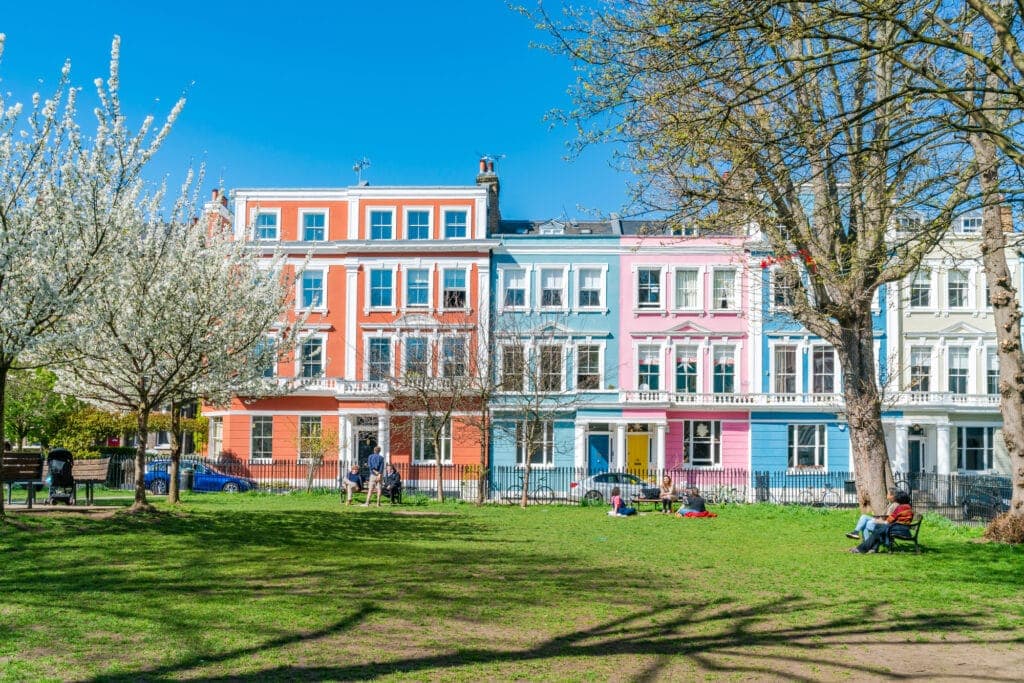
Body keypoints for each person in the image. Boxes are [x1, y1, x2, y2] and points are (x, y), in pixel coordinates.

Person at [849, 491, 914, 553]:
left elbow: (890, 520)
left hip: (899, 529)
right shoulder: (908, 507)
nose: (895, 499)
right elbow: (896, 519)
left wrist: (880, 521)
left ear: (900, 499)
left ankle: (861, 549)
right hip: (903, 529)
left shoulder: (901, 508)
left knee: (878, 530)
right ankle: (872, 548)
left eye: (897, 498)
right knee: (878, 528)